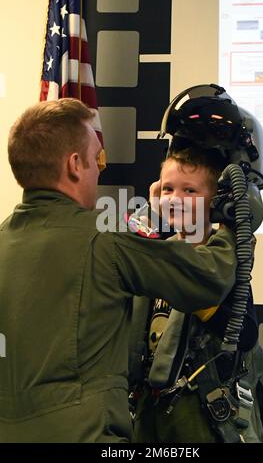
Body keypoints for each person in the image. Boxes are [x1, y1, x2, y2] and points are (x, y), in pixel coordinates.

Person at [0, 98, 238, 443]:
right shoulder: (106, 238)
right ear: (74, 164)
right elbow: (210, 278)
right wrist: (236, 225)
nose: (102, 169)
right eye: (98, 158)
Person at [130, 84, 263, 444]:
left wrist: (196, 293)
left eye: (190, 191)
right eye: (167, 189)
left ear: (219, 200)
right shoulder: (155, 252)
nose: (175, 199)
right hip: (152, 420)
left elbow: (244, 333)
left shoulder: (226, 265)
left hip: (203, 419)